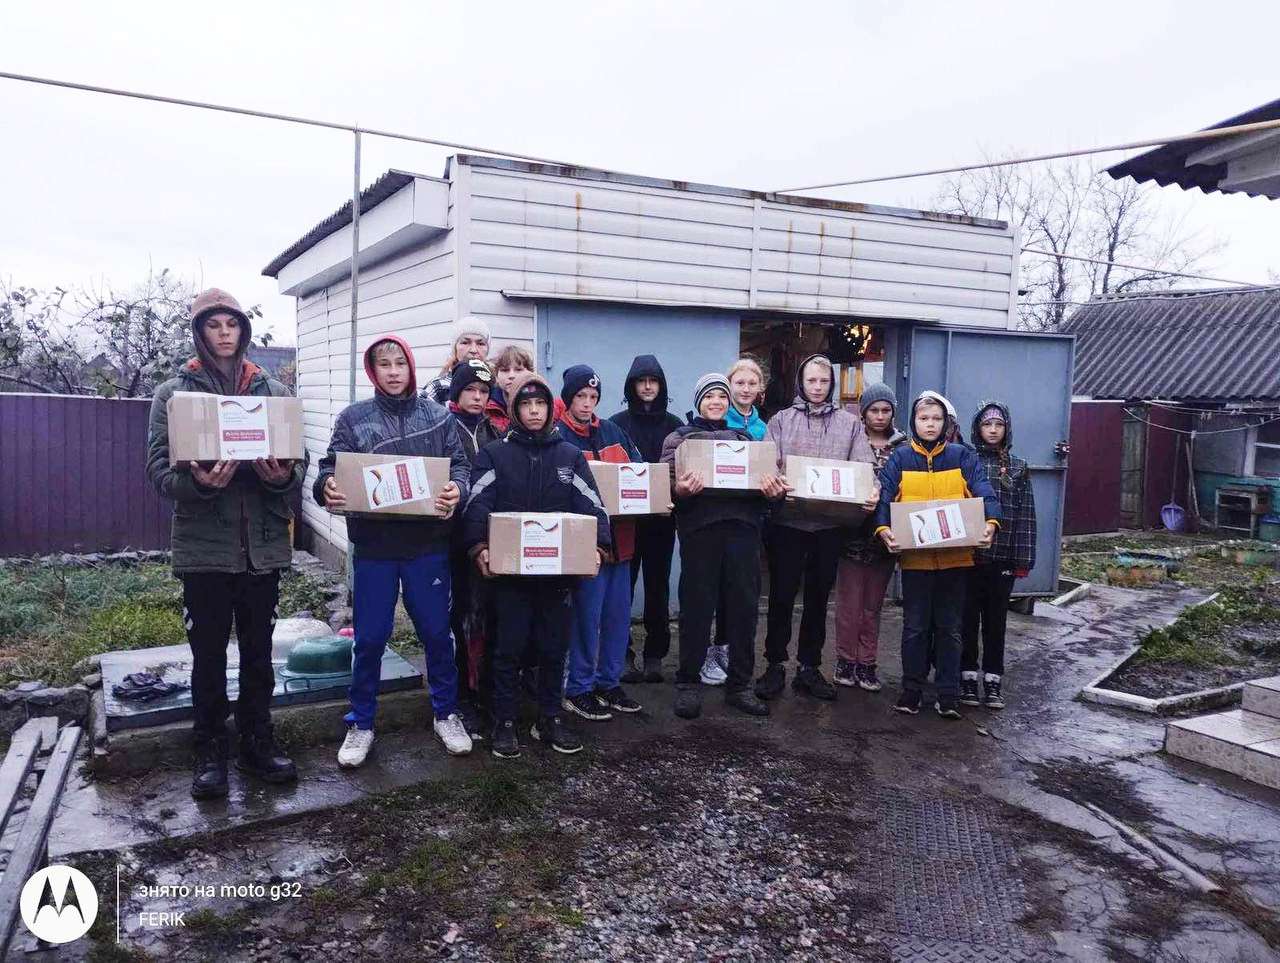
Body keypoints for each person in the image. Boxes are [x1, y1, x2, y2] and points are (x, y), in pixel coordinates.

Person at [146, 287, 307, 800]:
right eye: (213, 325)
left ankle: (257, 742)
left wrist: (279, 475)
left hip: (262, 545)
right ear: (199, 332)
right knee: (208, 654)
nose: (223, 333)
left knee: (259, 653)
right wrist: (201, 484)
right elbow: (157, 471)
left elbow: (296, 469)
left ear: (243, 330)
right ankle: (210, 749)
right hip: (205, 548)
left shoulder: (274, 392)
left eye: (231, 324)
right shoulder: (174, 395)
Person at [316, 337, 472, 767]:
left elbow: (460, 466)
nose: (392, 371)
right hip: (374, 547)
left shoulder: (438, 418)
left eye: (399, 362)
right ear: (372, 370)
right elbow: (330, 466)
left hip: (426, 547)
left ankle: (446, 712)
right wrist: (325, 485)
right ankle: (361, 722)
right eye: (383, 364)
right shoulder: (353, 418)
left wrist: (458, 489)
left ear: (410, 366)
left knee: (438, 634)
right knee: (369, 639)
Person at [463, 371, 611, 758]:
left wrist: (599, 545)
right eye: (526, 404)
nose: (533, 411)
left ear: (549, 408)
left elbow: (592, 504)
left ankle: (549, 717)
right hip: (510, 578)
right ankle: (505, 721)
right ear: (515, 410)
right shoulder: (495, 454)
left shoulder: (569, 456)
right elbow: (477, 503)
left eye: (540, 404)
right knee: (507, 649)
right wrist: (480, 547)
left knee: (553, 648)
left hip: (556, 577)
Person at [661, 373, 788, 720]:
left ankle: (740, 685)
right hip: (700, 533)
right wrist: (680, 490)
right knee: (697, 609)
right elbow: (666, 487)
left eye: (721, 396)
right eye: (709, 396)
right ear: (698, 400)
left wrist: (773, 494)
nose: (716, 402)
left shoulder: (746, 440)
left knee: (744, 610)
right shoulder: (679, 439)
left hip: (744, 533)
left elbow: (767, 496)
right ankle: (688, 683)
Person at [874, 391, 1002, 720]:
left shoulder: (963, 456)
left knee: (950, 628)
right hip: (915, 563)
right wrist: (884, 529)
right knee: (915, 628)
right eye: (923, 418)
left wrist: (990, 522)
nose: (930, 424)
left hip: (955, 561)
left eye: (936, 419)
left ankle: (948, 694)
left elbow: (984, 491)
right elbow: (884, 498)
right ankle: (911, 690)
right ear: (914, 423)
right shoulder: (900, 458)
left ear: (946, 423)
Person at [757, 354, 876, 702]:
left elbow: (864, 465)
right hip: (788, 523)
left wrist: (871, 491)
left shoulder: (849, 424)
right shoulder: (781, 421)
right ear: (801, 383)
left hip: (829, 527)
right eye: (811, 381)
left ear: (832, 384)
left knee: (818, 599)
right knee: (781, 596)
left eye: (824, 382)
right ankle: (775, 665)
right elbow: (768, 461)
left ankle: (809, 667)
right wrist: (774, 482)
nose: (818, 387)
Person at [556, 365, 645, 720]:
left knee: (617, 618)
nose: (587, 403)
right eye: (580, 396)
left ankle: (609, 682)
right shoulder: (558, 436)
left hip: (621, 543)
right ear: (568, 398)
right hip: (585, 547)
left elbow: (639, 472)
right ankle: (578, 687)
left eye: (593, 397)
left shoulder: (614, 431)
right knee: (584, 618)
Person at [609, 355, 683, 684]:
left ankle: (655, 654)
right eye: (642, 381)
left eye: (653, 380)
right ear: (632, 386)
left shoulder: (674, 424)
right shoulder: (616, 424)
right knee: (622, 589)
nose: (648, 386)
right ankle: (621, 653)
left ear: (662, 384)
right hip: (626, 522)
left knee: (658, 587)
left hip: (662, 521)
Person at [961, 401, 1037, 711]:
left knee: (996, 623)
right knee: (967, 620)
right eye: (987, 425)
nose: (993, 430)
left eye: (999, 425)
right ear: (977, 429)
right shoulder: (966, 461)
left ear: (1007, 430)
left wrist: (1022, 560)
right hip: (969, 556)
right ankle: (965, 677)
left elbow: (1025, 515)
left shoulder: (1018, 466)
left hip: (1003, 558)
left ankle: (993, 680)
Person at [834, 383, 907, 691]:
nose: (879, 416)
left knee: (872, 606)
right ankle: (845, 660)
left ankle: (867, 663)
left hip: (885, 537)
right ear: (863, 413)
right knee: (848, 604)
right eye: (873, 410)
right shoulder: (851, 440)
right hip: (851, 532)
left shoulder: (903, 448)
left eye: (885, 410)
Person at [447, 359, 503, 738]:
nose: (478, 397)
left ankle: (484, 688)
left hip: (490, 536)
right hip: (450, 539)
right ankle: (460, 696)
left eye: (484, 392)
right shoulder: (441, 427)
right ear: (457, 391)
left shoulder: (497, 431)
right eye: (471, 390)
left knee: (487, 616)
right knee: (459, 617)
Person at [425, 316, 490, 404]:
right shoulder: (439, 388)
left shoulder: (495, 388)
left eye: (481, 343)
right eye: (465, 343)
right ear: (455, 348)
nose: (473, 350)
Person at [489, 344, 534, 435]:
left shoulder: (540, 403)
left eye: (518, 370)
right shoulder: (486, 408)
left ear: (530, 373)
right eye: (505, 370)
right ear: (496, 376)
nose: (511, 376)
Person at [725, 358, 769, 441]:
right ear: (729, 384)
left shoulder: (764, 429)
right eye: (740, 383)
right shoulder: (718, 422)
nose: (746, 390)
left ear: (760, 387)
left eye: (752, 384)